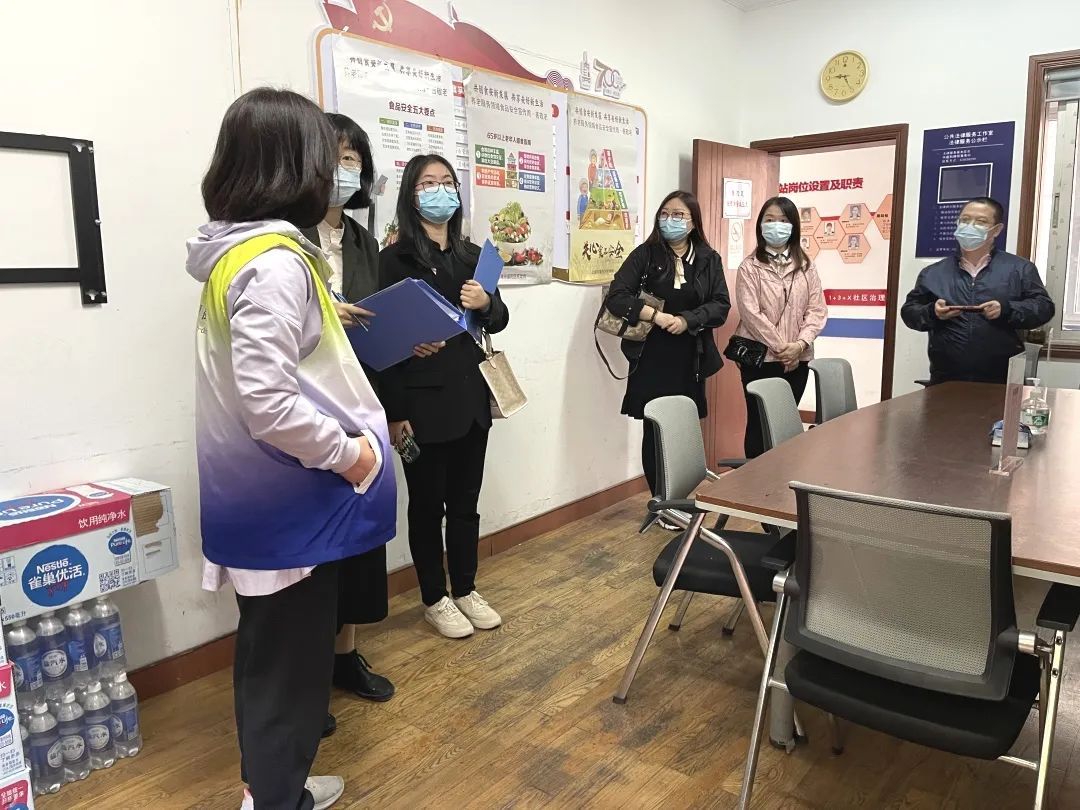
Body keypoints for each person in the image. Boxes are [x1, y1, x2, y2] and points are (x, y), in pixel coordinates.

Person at [190, 88, 396, 810]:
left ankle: (274, 786)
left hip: (258, 501)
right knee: (288, 668)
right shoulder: (276, 264)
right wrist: (352, 455)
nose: (333, 173)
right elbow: (269, 403)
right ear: (294, 167)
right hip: (289, 504)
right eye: (322, 156)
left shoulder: (238, 255)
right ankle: (278, 799)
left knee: (271, 657)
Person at [299, 114, 443, 734]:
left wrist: (407, 338)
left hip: (362, 402)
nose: (344, 170)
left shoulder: (361, 241)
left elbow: (374, 319)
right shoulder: (287, 238)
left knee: (359, 544)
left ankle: (344, 656)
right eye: (334, 157)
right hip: (307, 411)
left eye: (353, 159)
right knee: (313, 552)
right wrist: (329, 314)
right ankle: (306, 676)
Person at [379, 154, 510, 639]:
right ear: (411, 196)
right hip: (420, 404)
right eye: (428, 183)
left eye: (447, 182)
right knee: (426, 506)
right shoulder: (393, 260)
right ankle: (435, 597)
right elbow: (380, 344)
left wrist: (487, 302)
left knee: (465, 503)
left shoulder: (473, 256)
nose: (440, 190)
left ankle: (466, 588)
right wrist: (395, 413)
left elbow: (498, 320)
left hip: (470, 399)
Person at [604, 191, 730, 498]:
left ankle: (680, 497)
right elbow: (617, 297)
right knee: (655, 428)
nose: (670, 220)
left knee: (683, 429)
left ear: (693, 222)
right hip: (651, 355)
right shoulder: (645, 254)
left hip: (690, 355)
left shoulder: (708, 259)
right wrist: (655, 316)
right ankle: (660, 500)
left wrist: (687, 320)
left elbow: (720, 305)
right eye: (665, 214)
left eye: (678, 215)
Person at [901, 197, 1054, 384]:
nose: (970, 226)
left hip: (1002, 380)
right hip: (946, 380)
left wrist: (1007, 309)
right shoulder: (933, 273)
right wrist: (933, 312)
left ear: (996, 230)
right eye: (965, 220)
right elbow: (909, 312)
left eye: (981, 222)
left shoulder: (1019, 269)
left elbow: (1044, 308)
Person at [732, 196, 828, 458]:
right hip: (760, 359)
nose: (776, 225)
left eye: (783, 220)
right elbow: (751, 314)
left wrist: (799, 345)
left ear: (794, 226)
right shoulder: (749, 267)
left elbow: (817, 310)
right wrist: (782, 348)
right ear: (761, 225)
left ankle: (781, 478)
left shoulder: (807, 266)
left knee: (785, 427)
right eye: (770, 219)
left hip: (798, 360)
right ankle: (754, 480)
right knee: (759, 425)